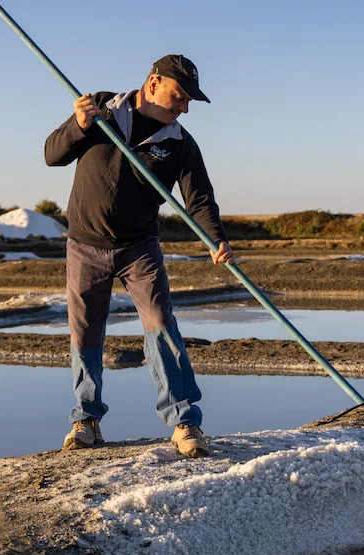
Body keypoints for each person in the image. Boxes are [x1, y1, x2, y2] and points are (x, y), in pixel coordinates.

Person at [45, 54, 234, 458]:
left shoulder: (180, 143)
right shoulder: (101, 110)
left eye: (188, 102)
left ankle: (185, 423)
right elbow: (52, 154)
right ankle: (86, 419)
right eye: (178, 97)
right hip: (84, 244)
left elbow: (199, 200)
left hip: (139, 249)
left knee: (161, 323)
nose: (183, 108)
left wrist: (214, 238)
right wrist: (79, 125)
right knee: (85, 331)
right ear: (153, 84)